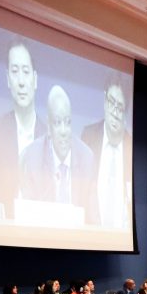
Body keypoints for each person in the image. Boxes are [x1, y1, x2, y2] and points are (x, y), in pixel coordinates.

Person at [0, 38, 46, 219]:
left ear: (35, 79)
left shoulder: (48, 136)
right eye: (15, 71)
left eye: (26, 72)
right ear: (7, 79)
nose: (21, 81)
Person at [18, 85, 99, 224]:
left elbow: (94, 221)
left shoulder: (86, 158)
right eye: (57, 123)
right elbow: (27, 219)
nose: (63, 131)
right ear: (49, 127)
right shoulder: (33, 157)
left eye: (67, 122)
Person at [80, 73, 132, 230]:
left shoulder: (131, 146)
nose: (114, 113)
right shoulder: (88, 137)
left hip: (122, 239)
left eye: (120, 107)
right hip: (90, 235)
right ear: (104, 100)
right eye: (111, 102)